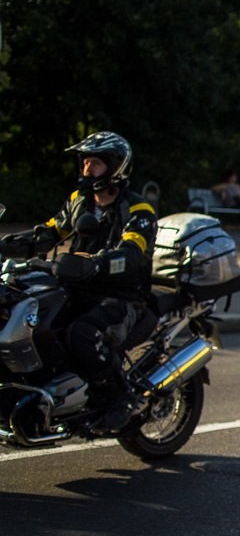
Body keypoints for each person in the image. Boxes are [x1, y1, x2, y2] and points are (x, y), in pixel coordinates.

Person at [0, 132, 157, 431]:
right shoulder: (79, 201)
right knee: (37, 318)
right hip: (76, 287)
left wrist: (97, 264)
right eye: (85, 163)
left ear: (116, 167)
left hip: (122, 296)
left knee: (82, 333)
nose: (87, 170)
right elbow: (48, 233)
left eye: (95, 163)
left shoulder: (138, 209)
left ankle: (117, 396)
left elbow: (133, 254)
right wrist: (10, 245)